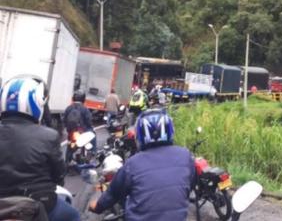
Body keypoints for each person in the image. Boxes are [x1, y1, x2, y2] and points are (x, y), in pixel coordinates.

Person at [89, 109, 196, 221]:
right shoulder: (185, 156)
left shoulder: (132, 164)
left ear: (140, 135)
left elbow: (113, 194)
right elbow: (190, 185)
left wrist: (97, 207)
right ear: (170, 130)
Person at [0, 75, 80, 221]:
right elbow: (58, 175)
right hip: (36, 205)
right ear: (36, 103)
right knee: (73, 215)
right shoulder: (49, 136)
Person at [63, 89, 96, 155]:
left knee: (70, 144)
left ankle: (67, 160)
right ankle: (93, 152)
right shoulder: (85, 109)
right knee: (93, 134)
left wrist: (68, 128)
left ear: (73, 98)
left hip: (71, 132)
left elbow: (64, 120)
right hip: (82, 132)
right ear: (83, 99)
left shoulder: (68, 108)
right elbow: (89, 121)